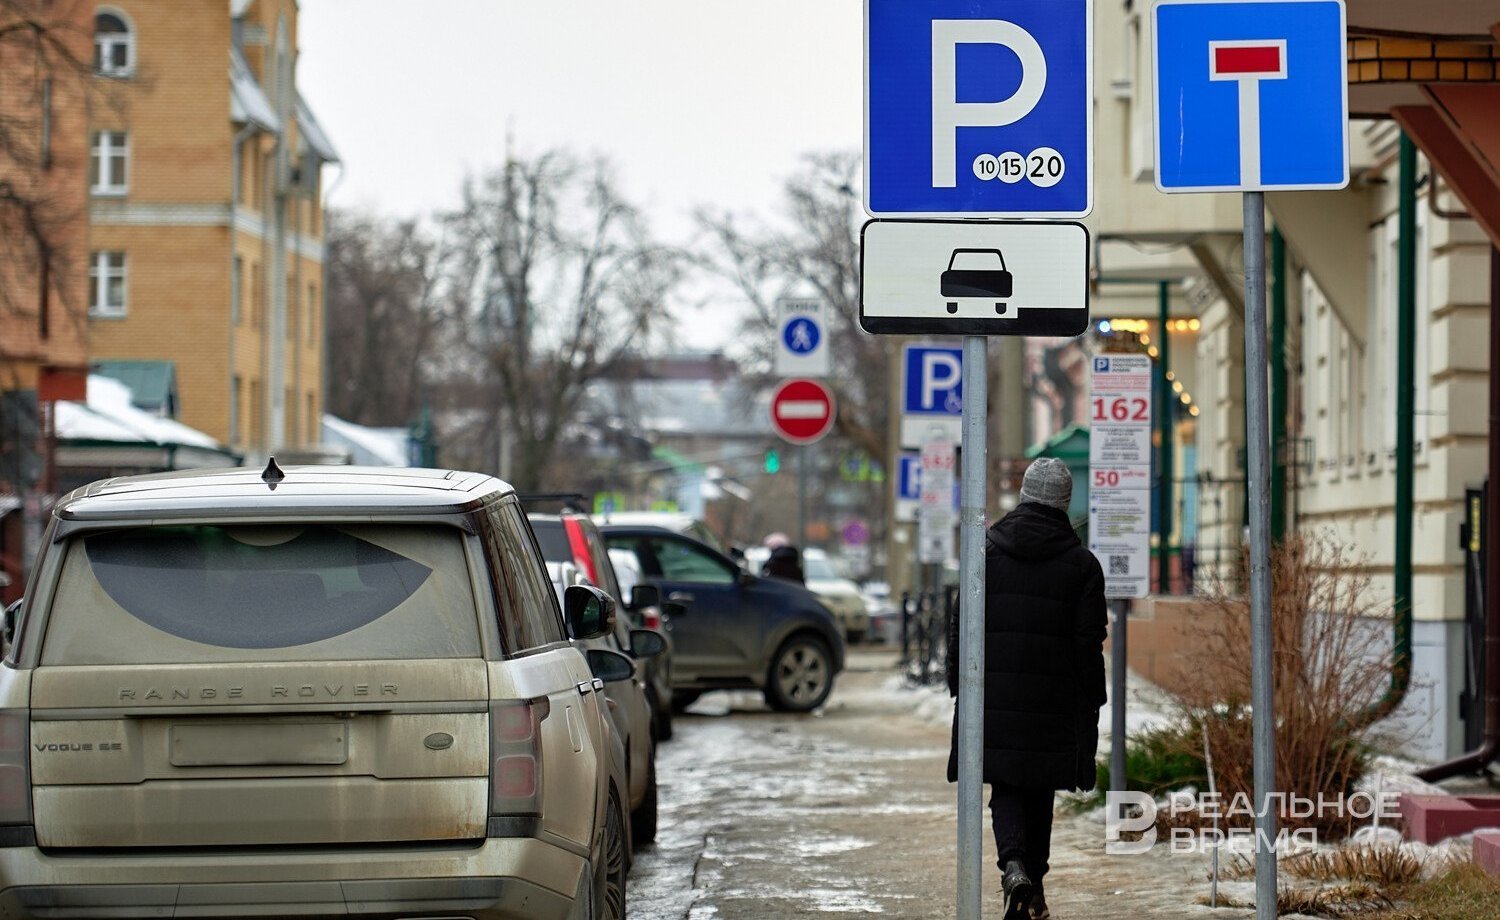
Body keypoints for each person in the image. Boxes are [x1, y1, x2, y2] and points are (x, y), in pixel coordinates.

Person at [946, 457, 1107, 920]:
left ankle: (1016, 869)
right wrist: (1091, 697)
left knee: (1009, 787)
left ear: (1023, 495)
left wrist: (960, 684)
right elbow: (1087, 643)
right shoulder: (1082, 566)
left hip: (994, 696)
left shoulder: (985, 553)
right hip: (1054, 700)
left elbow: (961, 627)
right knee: (1040, 791)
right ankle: (1031, 884)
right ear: (1064, 503)